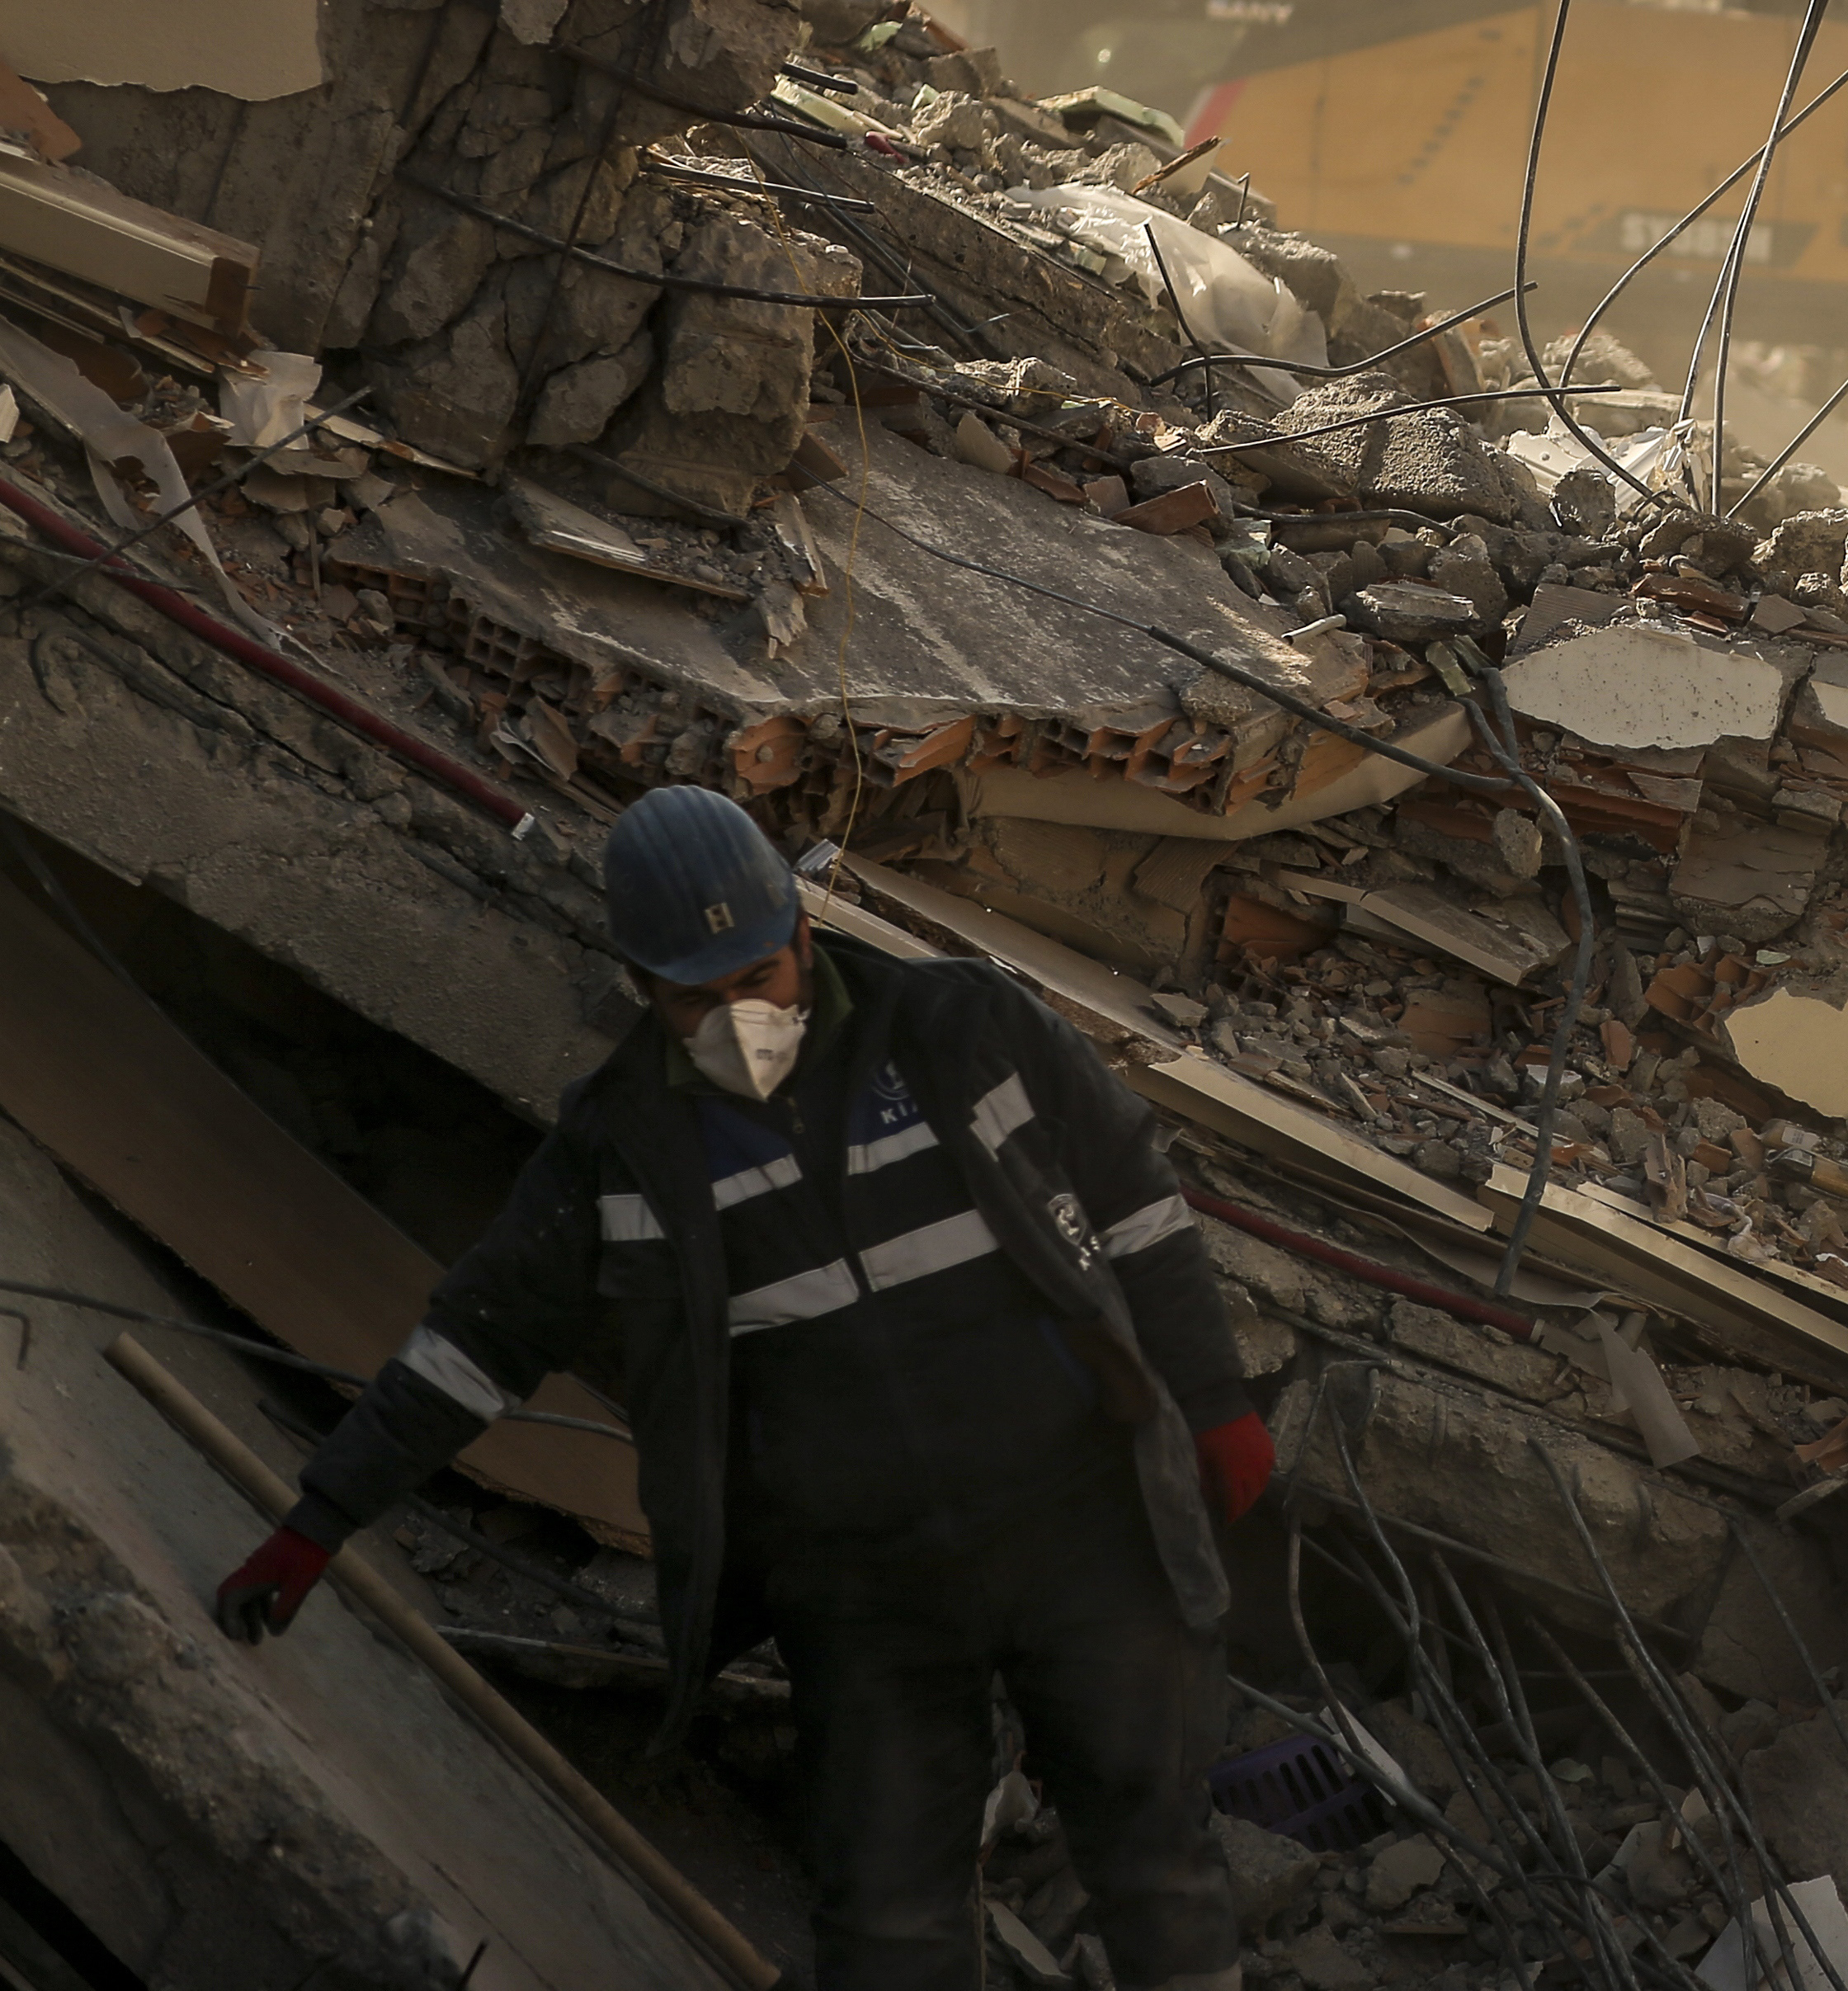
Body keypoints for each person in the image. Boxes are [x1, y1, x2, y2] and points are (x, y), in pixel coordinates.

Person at [209, 786, 1266, 1991]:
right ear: (640, 988)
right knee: (887, 1916)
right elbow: (477, 1342)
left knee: (1154, 1861)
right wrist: (318, 1521)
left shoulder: (963, 1027)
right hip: (864, 1589)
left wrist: (1215, 1398)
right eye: (693, 997)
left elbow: (1138, 1204)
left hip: (1080, 1525)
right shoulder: (621, 1146)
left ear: (802, 937)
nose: (736, 1018)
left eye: (757, 978)